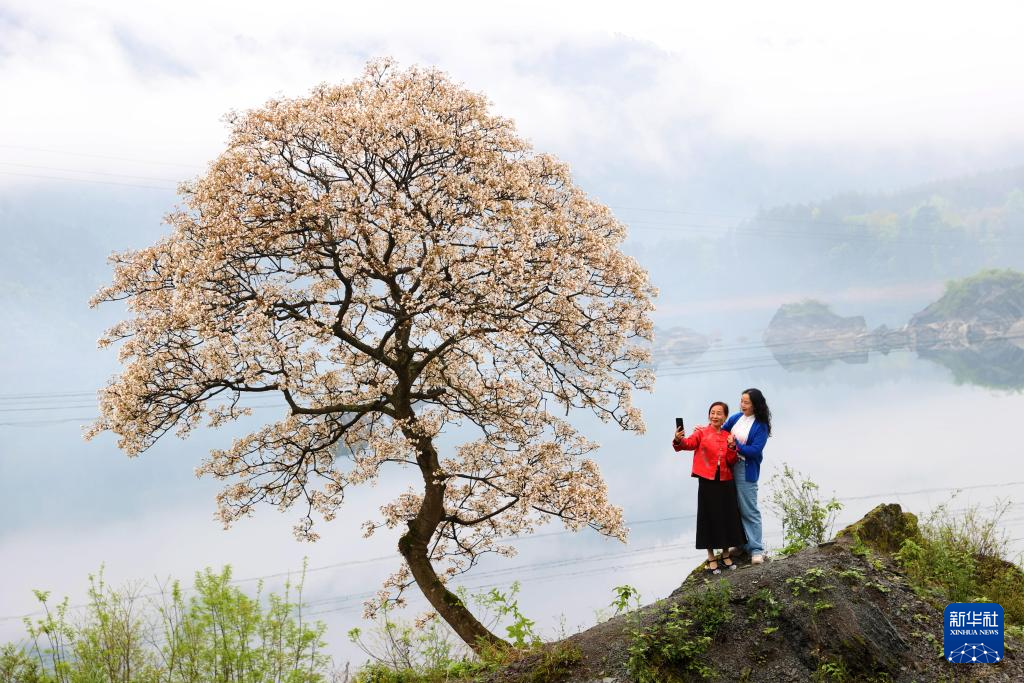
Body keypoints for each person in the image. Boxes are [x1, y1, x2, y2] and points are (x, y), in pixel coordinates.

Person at [673, 401, 746, 575]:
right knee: (709, 518)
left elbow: (731, 460)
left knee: (727, 517)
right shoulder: (701, 433)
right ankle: (711, 557)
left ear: (725, 417)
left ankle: (726, 554)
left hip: (726, 481)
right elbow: (686, 445)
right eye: (712, 413)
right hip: (707, 481)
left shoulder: (729, 435)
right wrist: (678, 439)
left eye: (719, 413)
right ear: (708, 415)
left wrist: (731, 447)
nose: (715, 416)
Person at [723, 388, 772, 565]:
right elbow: (721, 432)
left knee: (749, 509)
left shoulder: (761, 425)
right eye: (741, 401)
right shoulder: (736, 418)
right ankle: (741, 544)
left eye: (746, 402)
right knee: (734, 507)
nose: (742, 405)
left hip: (746, 468)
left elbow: (754, 451)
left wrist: (735, 445)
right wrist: (704, 432)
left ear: (755, 405)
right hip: (730, 466)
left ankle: (756, 549)